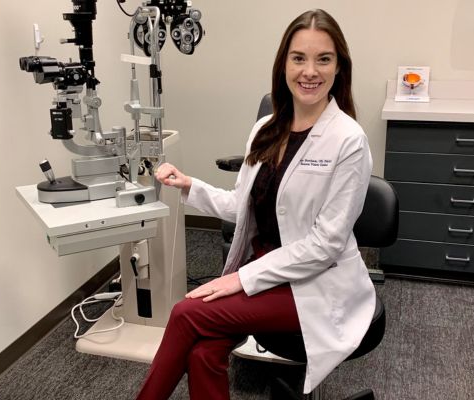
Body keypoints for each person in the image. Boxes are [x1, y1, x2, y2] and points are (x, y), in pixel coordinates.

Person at [136, 8, 375, 399]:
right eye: (298, 58)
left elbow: (325, 245)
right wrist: (189, 185)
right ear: (284, 64)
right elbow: (240, 207)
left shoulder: (349, 140)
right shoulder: (267, 129)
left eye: (323, 59)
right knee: (202, 353)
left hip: (315, 283)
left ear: (339, 68)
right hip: (264, 271)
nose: (309, 71)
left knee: (184, 313)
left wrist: (240, 279)